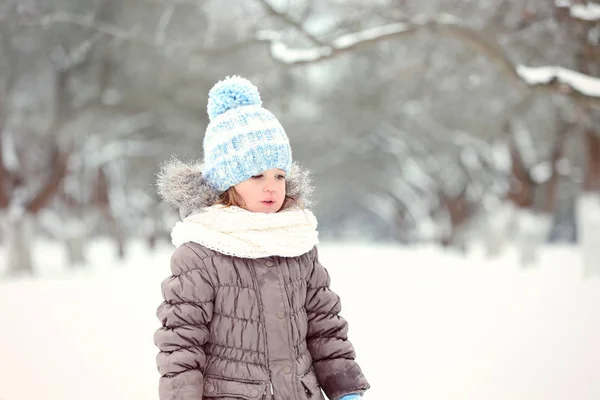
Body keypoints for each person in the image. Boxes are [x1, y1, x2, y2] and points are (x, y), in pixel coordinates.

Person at [154, 76, 370, 400]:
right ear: (228, 181)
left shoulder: (297, 244)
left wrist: (345, 389)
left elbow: (325, 326)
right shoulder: (200, 254)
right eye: (256, 176)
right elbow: (180, 343)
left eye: (279, 175)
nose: (271, 186)